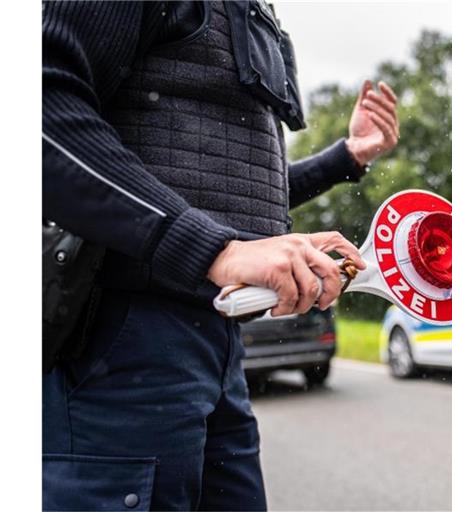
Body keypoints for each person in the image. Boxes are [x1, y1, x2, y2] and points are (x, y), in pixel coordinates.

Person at [42, 1, 399, 510]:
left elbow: (223, 191)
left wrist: (347, 157)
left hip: (216, 345)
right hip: (121, 342)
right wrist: (218, 250)